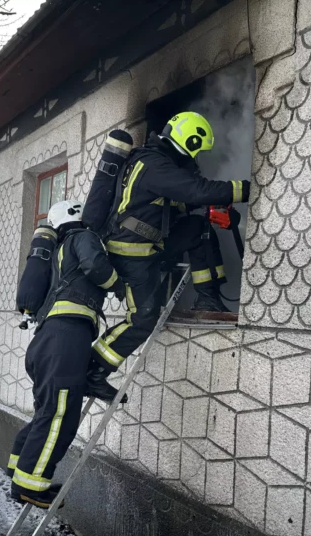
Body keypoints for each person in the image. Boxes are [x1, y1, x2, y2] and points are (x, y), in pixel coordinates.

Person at [88, 111, 251, 396]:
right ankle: (94, 371)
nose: (195, 159)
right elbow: (196, 190)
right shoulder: (154, 165)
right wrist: (248, 189)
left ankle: (208, 298)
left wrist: (210, 210)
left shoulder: (152, 161)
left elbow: (170, 204)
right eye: (196, 151)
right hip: (131, 255)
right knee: (143, 320)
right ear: (189, 141)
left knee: (198, 228)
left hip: (148, 247)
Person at [8, 199, 125, 509]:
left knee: (47, 411)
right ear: (77, 216)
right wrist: (120, 285)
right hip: (66, 338)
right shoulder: (82, 236)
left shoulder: (57, 251)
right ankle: (29, 486)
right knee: (59, 415)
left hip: (47, 341)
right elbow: (95, 266)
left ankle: (19, 466)